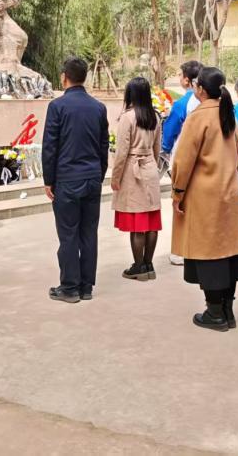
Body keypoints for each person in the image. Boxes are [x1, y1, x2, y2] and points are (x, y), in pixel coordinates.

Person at [170, 66, 238, 332]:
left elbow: (183, 160)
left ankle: (214, 312)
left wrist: (178, 192)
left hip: (204, 196)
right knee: (230, 252)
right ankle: (227, 309)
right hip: (230, 192)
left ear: (200, 89)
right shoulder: (230, 115)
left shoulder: (198, 117)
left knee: (209, 253)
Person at [41, 57, 110, 304]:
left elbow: (50, 146)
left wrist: (49, 179)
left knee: (69, 233)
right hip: (91, 178)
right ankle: (86, 286)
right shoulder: (98, 108)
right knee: (89, 232)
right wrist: (99, 174)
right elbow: (103, 145)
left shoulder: (57, 106)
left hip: (67, 179)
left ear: (64, 77)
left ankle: (70, 287)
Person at [111, 77, 163, 282]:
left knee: (137, 222)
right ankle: (149, 265)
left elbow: (122, 152)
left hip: (132, 171)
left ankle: (138, 266)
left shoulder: (128, 117)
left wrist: (116, 177)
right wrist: (153, 167)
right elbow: (157, 148)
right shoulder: (155, 116)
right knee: (151, 220)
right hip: (150, 167)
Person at [162, 60, 203, 265]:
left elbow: (168, 136)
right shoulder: (216, 101)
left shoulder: (182, 104)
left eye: (180, 75)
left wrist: (165, 151)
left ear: (187, 80)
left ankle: (181, 250)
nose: (179, 78)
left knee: (180, 204)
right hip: (208, 162)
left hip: (184, 161)